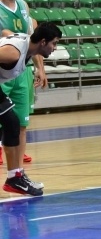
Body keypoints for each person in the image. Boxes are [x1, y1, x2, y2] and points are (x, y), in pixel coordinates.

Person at [0, 22, 61, 197]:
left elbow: (6, 32)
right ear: (43, 42)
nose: (55, 48)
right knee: (11, 122)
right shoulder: (13, 53)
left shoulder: (28, 46)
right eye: (54, 43)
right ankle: (14, 177)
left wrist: (39, 69)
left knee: (12, 123)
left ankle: (15, 177)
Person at [0, 0, 44, 167]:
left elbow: (33, 40)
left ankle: (18, 172)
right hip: (3, 70)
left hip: (23, 70)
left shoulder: (23, 6)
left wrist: (40, 68)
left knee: (22, 123)